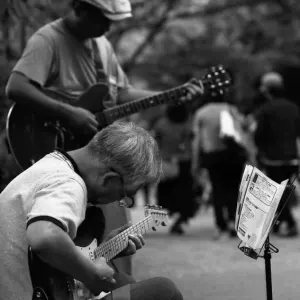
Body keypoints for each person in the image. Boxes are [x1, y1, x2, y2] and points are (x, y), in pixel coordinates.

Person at [5, 0, 203, 275]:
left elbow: (120, 94)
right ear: (80, 8)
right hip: (63, 146)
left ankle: (108, 284)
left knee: (113, 230)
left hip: (97, 158)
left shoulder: (102, 46)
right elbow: (17, 86)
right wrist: (70, 113)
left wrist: (172, 95)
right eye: (104, 18)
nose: (109, 26)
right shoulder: (48, 39)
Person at [0, 121, 184, 300]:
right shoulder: (69, 183)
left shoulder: (51, 165)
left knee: (124, 282)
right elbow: (45, 237)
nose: (124, 201)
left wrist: (101, 252)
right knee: (163, 290)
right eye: (126, 194)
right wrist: (92, 275)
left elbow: (46, 260)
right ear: (109, 179)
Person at [191, 98, 247, 240]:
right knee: (234, 189)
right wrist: (249, 155)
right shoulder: (231, 108)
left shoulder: (201, 113)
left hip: (213, 156)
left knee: (217, 190)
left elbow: (197, 140)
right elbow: (241, 134)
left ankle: (221, 226)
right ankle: (233, 222)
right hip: (233, 155)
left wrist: (196, 161)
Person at [253, 72, 300, 237]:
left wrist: (259, 151)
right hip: (293, 157)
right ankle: (278, 223)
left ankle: (289, 223)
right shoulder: (293, 107)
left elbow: (258, 135)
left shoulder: (265, 109)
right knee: (285, 192)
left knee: (276, 193)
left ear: (267, 91)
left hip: (273, 158)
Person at [153, 104, 199, 235]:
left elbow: (155, 142)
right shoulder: (187, 124)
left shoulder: (161, 124)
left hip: (166, 162)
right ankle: (181, 218)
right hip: (184, 162)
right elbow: (191, 143)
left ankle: (172, 211)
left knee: (167, 193)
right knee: (186, 194)